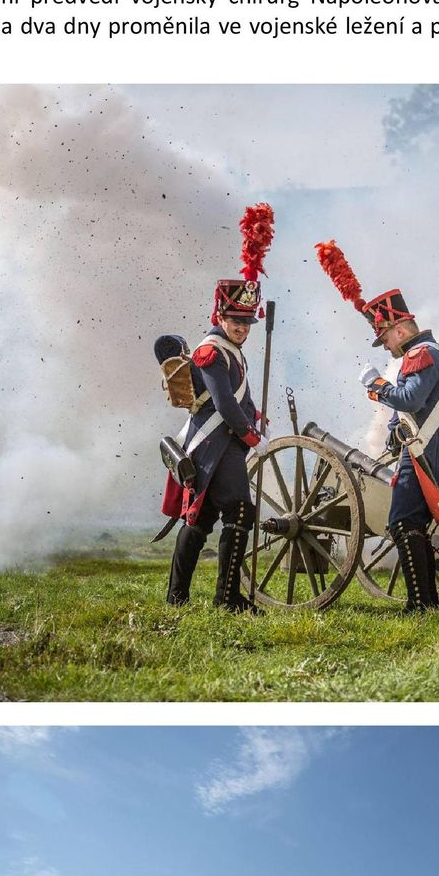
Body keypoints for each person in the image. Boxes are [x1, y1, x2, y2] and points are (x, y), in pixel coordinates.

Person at [316, 239, 439, 612]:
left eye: (384, 336)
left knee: (402, 523)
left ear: (399, 329)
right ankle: (425, 601)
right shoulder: (430, 353)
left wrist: (376, 385)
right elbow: (413, 411)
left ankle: (421, 604)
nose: (385, 345)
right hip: (432, 450)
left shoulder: (420, 355)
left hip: (426, 454)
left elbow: (410, 401)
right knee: (409, 524)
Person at [162, 203, 274, 611]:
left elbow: (237, 397)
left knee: (203, 519)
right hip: (212, 446)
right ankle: (222, 599)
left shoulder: (231, 350)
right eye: (235, 320)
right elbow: (225, 404)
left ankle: (189, 597)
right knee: (238, 512)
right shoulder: (211, 351)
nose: (242, 327)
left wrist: (256, 417)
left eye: (246, 322)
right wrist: (252, 434)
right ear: (220, 316)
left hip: (225, 447)